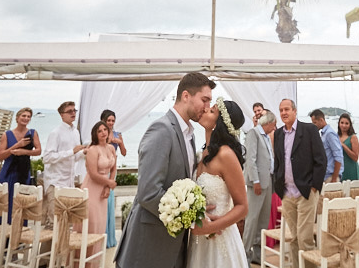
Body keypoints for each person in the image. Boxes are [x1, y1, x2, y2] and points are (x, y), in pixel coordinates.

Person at [115, 72, 215, 268]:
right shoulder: (161, 130)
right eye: (204, 100)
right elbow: (149, 192)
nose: (208, 107)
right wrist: (194, 217)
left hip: (173, 247)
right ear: (186, 96)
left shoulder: (190, 135)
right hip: (148, 247)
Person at [187, 98, 250, 268]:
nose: (206, 109)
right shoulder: (203, 153)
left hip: (219, 239)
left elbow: (243, 207)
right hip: (197, 241)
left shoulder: (225, 154)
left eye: (212, 110)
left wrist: (211, 227)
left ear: (219, 124)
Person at [273, 99, 326, 268]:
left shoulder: (309, 130)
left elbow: (321, 160)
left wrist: (314, 187)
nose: (284, 113)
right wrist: (278, 183)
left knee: (305, 239)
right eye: (281, 110)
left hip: (306, 192)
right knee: (294, 238)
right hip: (287, 194)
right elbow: (278, 161)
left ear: (295, 111)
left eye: (287, 109)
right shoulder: (279, 133)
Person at [43, 101, 88, 222]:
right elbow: (47, 158)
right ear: (61, 115)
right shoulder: (55, 133)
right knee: (53, 222)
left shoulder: (75, 132)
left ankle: (63, 242)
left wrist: (83, 153)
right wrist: (71, 151)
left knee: (66, 221)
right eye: (69, 111)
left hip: (69, 182)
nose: (73, 113)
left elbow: (74, 157)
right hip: (55, 182)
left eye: (74, 110)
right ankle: (51, 242)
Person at [81, 120, 116, 268]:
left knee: (101, 226)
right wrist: (108, 183)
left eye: (105, 130)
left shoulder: (111, 149)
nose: (103, 132)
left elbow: (114, 168)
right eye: (99, 131)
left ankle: (96, 263)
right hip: (92, 189)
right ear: (95, 134)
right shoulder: (92, 150)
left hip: (103, 190)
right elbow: (93, 173)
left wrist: (109, 187)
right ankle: (84, 263)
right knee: (91, 225)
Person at [0, 107, 42, 223]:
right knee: (5, 201)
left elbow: (38, 151)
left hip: (23, 171)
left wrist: (24, 152)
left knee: (21, 201)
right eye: (23, 116)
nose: (26, 118)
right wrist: (17, 145)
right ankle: (1, 233)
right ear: (17, 118)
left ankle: (19, 231)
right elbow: (1, 156)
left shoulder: (32, 133)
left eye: (28, 117)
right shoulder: (7, 135)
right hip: (8, 171)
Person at [243, 109, 276, 265]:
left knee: (263, 220)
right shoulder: (254, 134)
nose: (275, 128)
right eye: (274, 125)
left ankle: (257, 253)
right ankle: (244, 254)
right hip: (257, 183)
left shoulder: (266, 137)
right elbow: (251, 159)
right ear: (268, 123)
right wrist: (255, 181)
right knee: (252, 219)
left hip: (268, 181)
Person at [101, 109, 125, 249]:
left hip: (112, 169)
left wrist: (119, 142)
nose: (110, 123)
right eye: (108, 120)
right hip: (102, 167)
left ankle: (109, 237)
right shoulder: (101, 133)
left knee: (110, 202)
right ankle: (101, 234)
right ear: (103, 120)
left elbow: (124, 152)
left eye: (112, 120)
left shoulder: (118, 134)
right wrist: (110, 140)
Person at [309, 109, 343, 183]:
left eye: (315, 122)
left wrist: (334, 178)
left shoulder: (329, 134)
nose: (313, 125)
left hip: (330, 177)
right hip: (325, 175)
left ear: (321, 120)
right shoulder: (324, 134)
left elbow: (338, 156)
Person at [337, 113, 359, 181]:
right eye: (342, 123)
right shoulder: (336, 136)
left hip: (351, 170)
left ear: (350, 125)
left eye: (346, 123)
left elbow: (355, 157)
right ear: (339, 123)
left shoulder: (353, 137)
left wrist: (343, 145)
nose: (344, 125)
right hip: (340, 170)